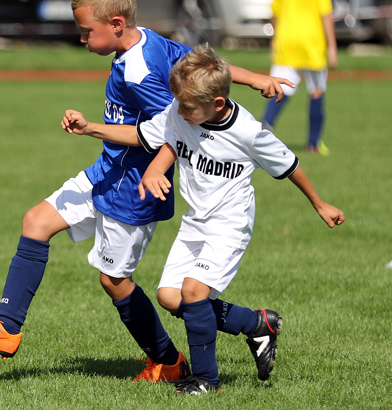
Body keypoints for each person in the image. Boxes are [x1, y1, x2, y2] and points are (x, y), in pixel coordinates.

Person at [0, 0, 294, 383]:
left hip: (132, 189)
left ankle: (175, 358)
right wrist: (256, 79)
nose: (81, 39)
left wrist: (143, 162)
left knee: (114, 281)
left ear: (115, 24)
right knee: (36, 221)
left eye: (85, 32)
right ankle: (7, 328)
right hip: (107, 171)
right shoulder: (149, 40)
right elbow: (203, 66)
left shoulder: (140, 72)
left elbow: (174, 126)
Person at [61, 43, 345, 394]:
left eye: (187, 107)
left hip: (230, 225)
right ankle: (256, 323)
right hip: (195, 223)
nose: (179, 111)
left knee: (194, 291)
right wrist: (90, 128)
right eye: (178, 104)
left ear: (218, 103)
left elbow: (289, 166)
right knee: (170, 297)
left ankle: (207, 381)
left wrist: (320, 204)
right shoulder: (181, 112)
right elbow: (145, 136)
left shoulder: (248, 132)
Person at [261, 0, 338, 155]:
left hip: (287, 39)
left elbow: (275, 11)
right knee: (316, 90)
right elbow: (325, 13)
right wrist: (332, 46)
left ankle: (264, 129)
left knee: (280, 88)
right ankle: (313, 143)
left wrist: (274, 38)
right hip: (312, 41)